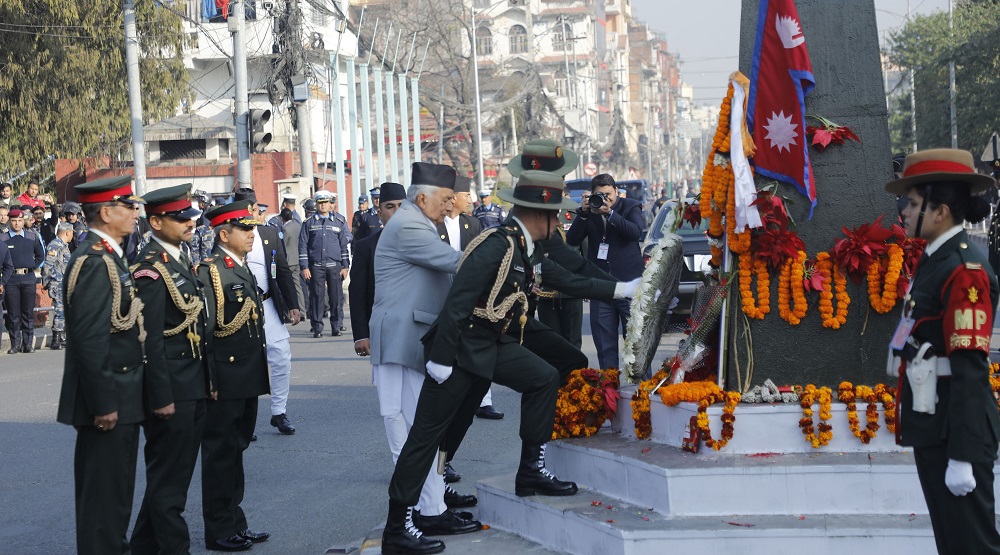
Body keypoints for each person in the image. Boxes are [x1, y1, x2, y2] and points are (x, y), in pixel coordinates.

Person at [383, 170, 637, 554]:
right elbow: (458, 303)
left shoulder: (522, 246)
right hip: (457, 351)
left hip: (489, 343)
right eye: (556, 216)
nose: (559, 223)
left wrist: (621, 288)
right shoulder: (496, 245)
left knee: (542, 376)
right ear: (540, 215)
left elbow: (567, 278)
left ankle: (530, 471)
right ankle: (397, 528)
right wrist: (439, 360)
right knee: (425, 437)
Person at [888, 148, 1000, 554]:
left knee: (972, 545)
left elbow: (970, 367)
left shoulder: (962, 269)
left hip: (956, 432)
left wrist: (964, 455)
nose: (903, 212)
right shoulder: (936, 259)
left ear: (941, 212)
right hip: (937, 426)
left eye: (913, 203)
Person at [370, 162, 483, 542]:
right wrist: (504, 255)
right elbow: (459, 263)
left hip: (413, 339)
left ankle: (430, 507)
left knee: (424, 428)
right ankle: (420, 513)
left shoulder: (419, 222)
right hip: (401, 341)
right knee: (410, 431)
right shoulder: (409, 225)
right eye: (446, 199)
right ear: (422, 197)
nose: (452, 207)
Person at [55, 175, 146, 555]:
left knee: (116, 495)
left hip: (121, 393)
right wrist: (104, 402)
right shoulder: (94, 260)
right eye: (128, 206)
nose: (135, 213)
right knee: (103, 502)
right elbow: (90, 340)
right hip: (107, 400)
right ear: (107, 212)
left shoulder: (110, 255)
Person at [127, 184, 211, 555]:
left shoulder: (178, 257)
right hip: (171, 390)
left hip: (190, 383)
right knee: (169, 484)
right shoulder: (150, 269)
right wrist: (159, 396)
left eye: (191, 217)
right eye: (181, 218)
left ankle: (143, 548)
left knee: (170, 479)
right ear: (156, 221)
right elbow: (149, 340)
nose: (190, 223)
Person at [197, 201, 271, 552]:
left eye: (253, 228)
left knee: (236, 449)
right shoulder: (211, 271)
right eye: (245, 229)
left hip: (245, 374)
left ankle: (235, 522)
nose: (252, 235)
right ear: (224, 234)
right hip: (225, 378)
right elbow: (207, 333)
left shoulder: (239, 267)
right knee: (220, 454)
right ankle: (218, 529)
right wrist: (209, 380)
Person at [233, 187, 302, 435]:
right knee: (245, 364)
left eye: (253, 210)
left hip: (267, 304)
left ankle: (279, 412)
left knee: (281, 356)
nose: (252, 214)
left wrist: (293, 305)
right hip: (238, 310)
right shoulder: (228, 234)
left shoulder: (269, 234)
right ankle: (245, 419)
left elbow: (282, 270)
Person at [566, 173, 645, 370]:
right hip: (601, 288)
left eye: (608, 193)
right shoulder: (589, 212)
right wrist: (583, 213)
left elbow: (635, 232)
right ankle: (610, 391)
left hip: (630, 286)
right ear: (592, 194)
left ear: (616, 192)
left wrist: (610, 214)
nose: (604, 198)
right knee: (604, 346)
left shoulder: (630, 206)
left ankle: (641, 393)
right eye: (599, 194)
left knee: (636, 346)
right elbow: (572, 240)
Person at [349, 182, 405, 357]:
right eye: (390, 206)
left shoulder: (425, 242)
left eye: (402, 206)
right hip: (383, 332)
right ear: (380, 213)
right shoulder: (366, 247)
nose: (397, 211)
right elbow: (357, 293)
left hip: (418, 331)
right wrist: (361, 335)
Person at [299, 190, 351, 338]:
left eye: (326, 203)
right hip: (316, 266)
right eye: (320, 203)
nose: (323, 206)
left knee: (335, 297)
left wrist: (345, 266)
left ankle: (336, 326)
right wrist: (304, 266)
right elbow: (302, 245)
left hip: (334, 266)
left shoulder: (338, 222)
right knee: (317, 297)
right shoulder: (309, 223)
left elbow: (343, 246)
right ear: (316, 205)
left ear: (330, 204)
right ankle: (317, 327)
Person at [2, 208, 44, 353]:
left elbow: (40, 255)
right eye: (14, 220)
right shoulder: (3, 239)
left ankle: (28, 344)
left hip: (28, 278)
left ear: (23, 220)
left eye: (20, 220)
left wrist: (32, 266)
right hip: (11, 279)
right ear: (9, 221)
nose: (17, 223)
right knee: (13, 314)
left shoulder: (32, 237)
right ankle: (15, 344)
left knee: (28, 313)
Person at [43, 222, 73, 349]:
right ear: (67, 233)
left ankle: (61, 337)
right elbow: (47, 266)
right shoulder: (55, 245)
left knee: (64, 311)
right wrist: (46, 283)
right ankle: (56, 340)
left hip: (64, 283)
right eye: (71, 233)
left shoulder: (63, 245)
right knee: (60, 311)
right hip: (57, 283)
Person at [189, 192, 215, 263]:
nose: (198, 204)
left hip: (205, 247)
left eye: (199, 202)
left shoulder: (207, 213)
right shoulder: (205, 212)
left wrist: (205, 257)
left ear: (204, 203)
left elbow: (206, 235)